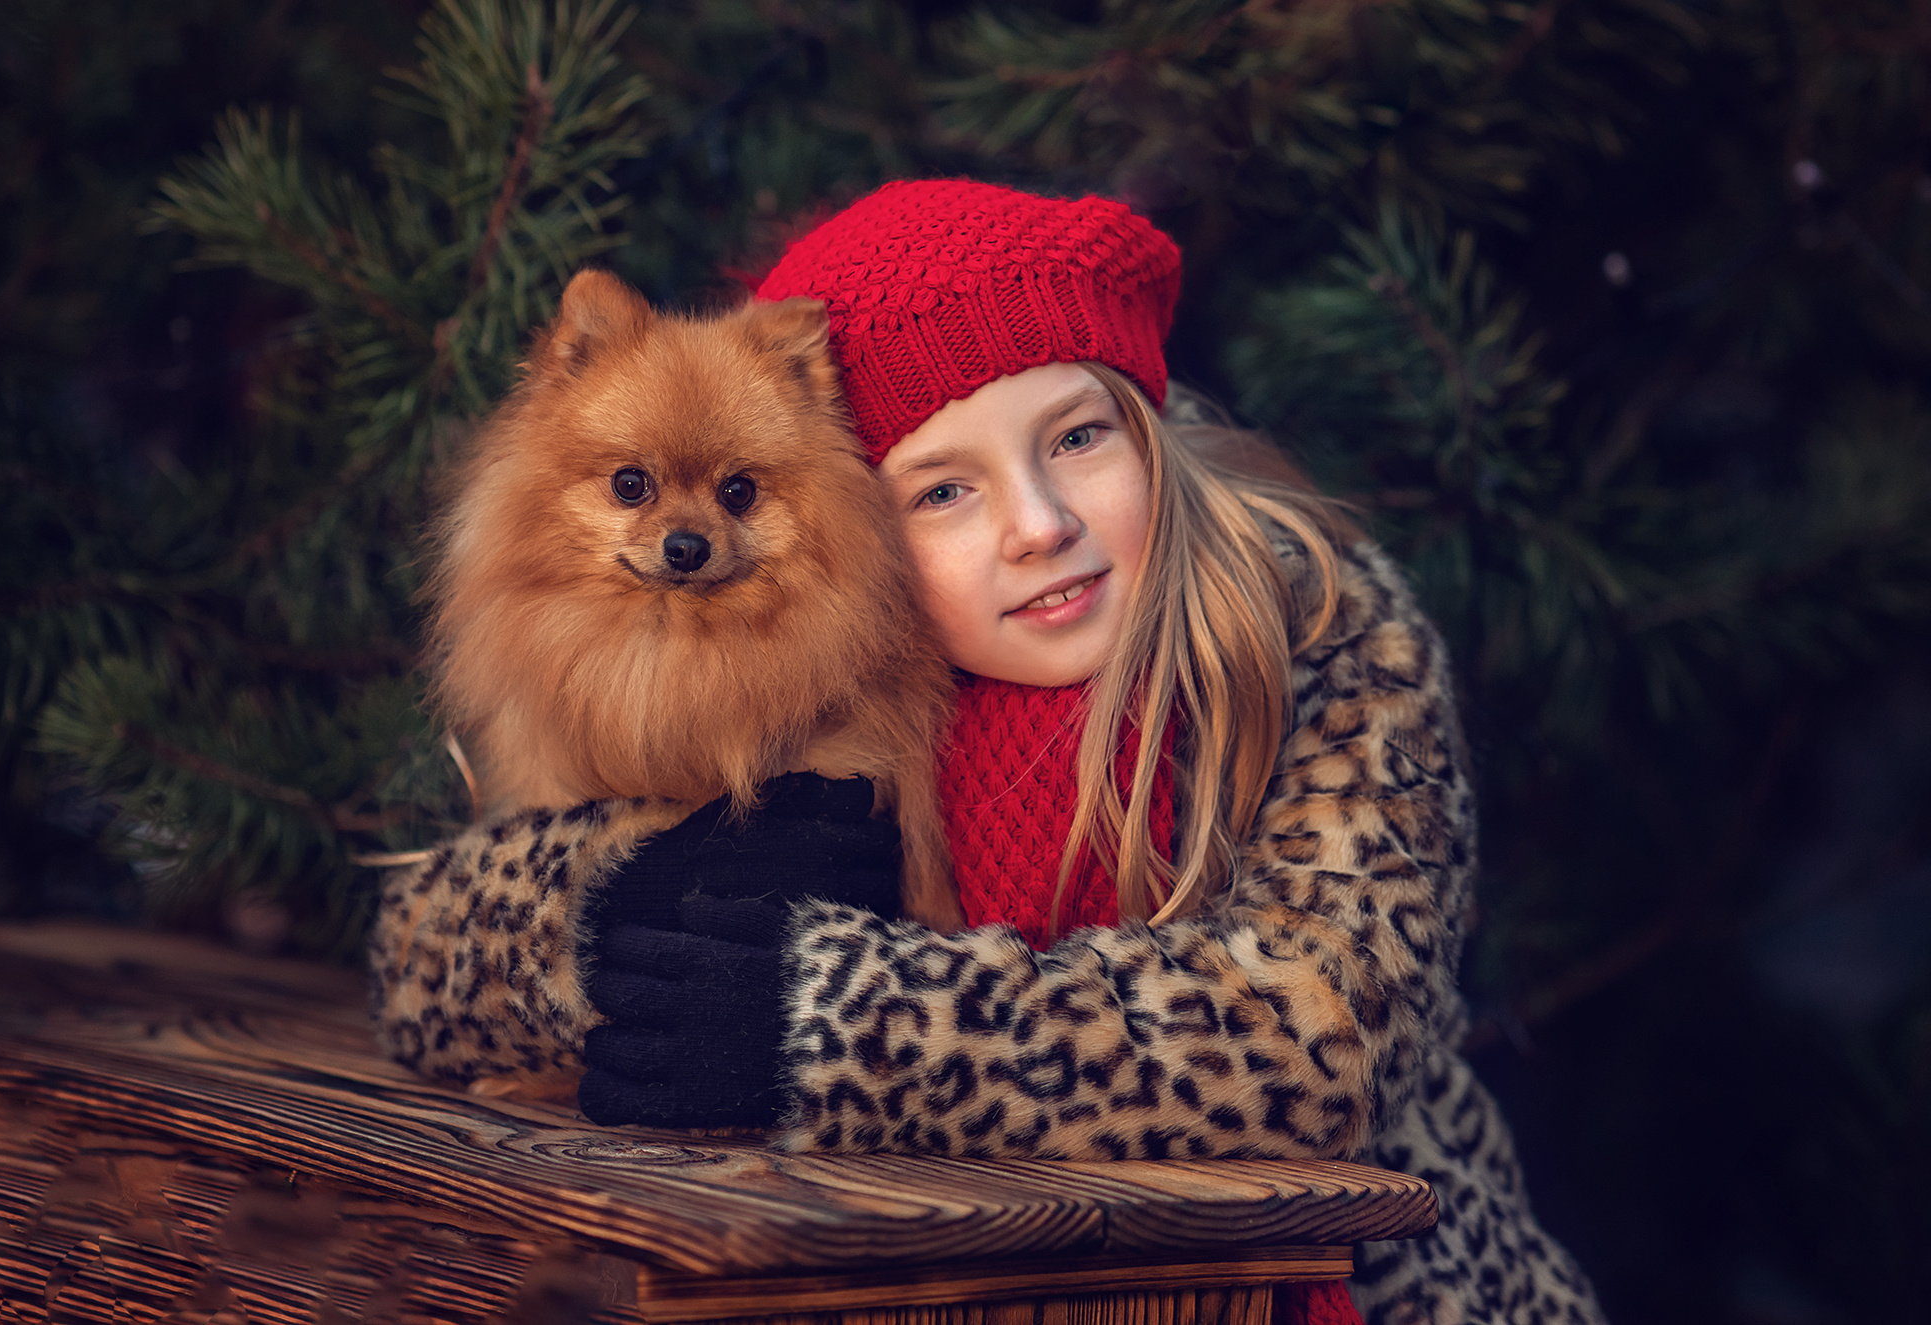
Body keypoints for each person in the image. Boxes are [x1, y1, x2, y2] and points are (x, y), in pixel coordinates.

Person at [370, 180, 1606, 1325]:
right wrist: (622, 905)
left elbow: (1312, 1044)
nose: (1038, 526)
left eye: (1076, 439)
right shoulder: (834, 684)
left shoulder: (1317, 631)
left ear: (1151, 430)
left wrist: (820, 1020)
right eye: (942, 492)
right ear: (855, 526)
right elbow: (422, 968)